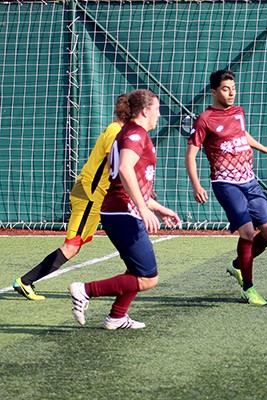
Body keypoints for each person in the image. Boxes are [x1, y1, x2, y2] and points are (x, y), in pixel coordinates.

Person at [69, 89, 181, 330]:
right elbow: (126, 170)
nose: (159, 115)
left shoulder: (131, 133)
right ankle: (84, 290)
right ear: (145, 111)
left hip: (122, 211)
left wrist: (158, 208)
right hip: (122, 212)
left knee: (136, 270)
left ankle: (117, 317)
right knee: (149, 278)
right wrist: (142, 208)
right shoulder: (135, 134)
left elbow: (133, 182)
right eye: (157, 109)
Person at [13, 94, 131, 300]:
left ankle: (136, 272)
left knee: (85, 241)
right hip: (89, 195)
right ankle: (25, 281)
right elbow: (120, 167)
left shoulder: (118, 130)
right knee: (72, 245)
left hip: (96, 196)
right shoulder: (116, 132)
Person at [185, 69, 267, 306]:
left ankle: (237, 265)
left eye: (233, 88)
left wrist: (264, 148)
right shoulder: (205, 119)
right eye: (226, 89)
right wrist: (196, 184)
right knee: (248, 232)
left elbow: (242, 134)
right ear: (214, 92)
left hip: (250, 182)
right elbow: (191, 154)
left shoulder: (238, 112)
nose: (231, 93)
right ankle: (248, 288)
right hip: (225, 184)